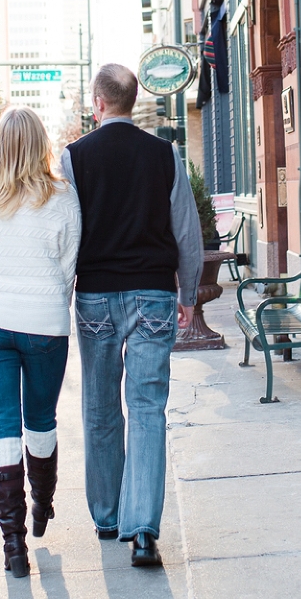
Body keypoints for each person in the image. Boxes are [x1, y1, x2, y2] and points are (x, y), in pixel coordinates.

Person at [61, 63, 202, 568]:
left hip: (95, 296)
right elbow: (186, 230)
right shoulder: (164, 155)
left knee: (100, 408)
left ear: (98, 103)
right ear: (133, 101)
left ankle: (107, 516)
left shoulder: (74, 157)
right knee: (146, 409)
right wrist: (189, 292)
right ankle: (142, 531)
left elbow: (66, 234)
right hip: (153, 295)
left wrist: (60, 295)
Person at [0, 107, 81, 578]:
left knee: (2, 427)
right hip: (43, 322)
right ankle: (42, 503)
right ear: (41, 144)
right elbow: (69, 264)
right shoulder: (62, 197)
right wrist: (51, 301)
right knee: (40, 419)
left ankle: (12, 542)